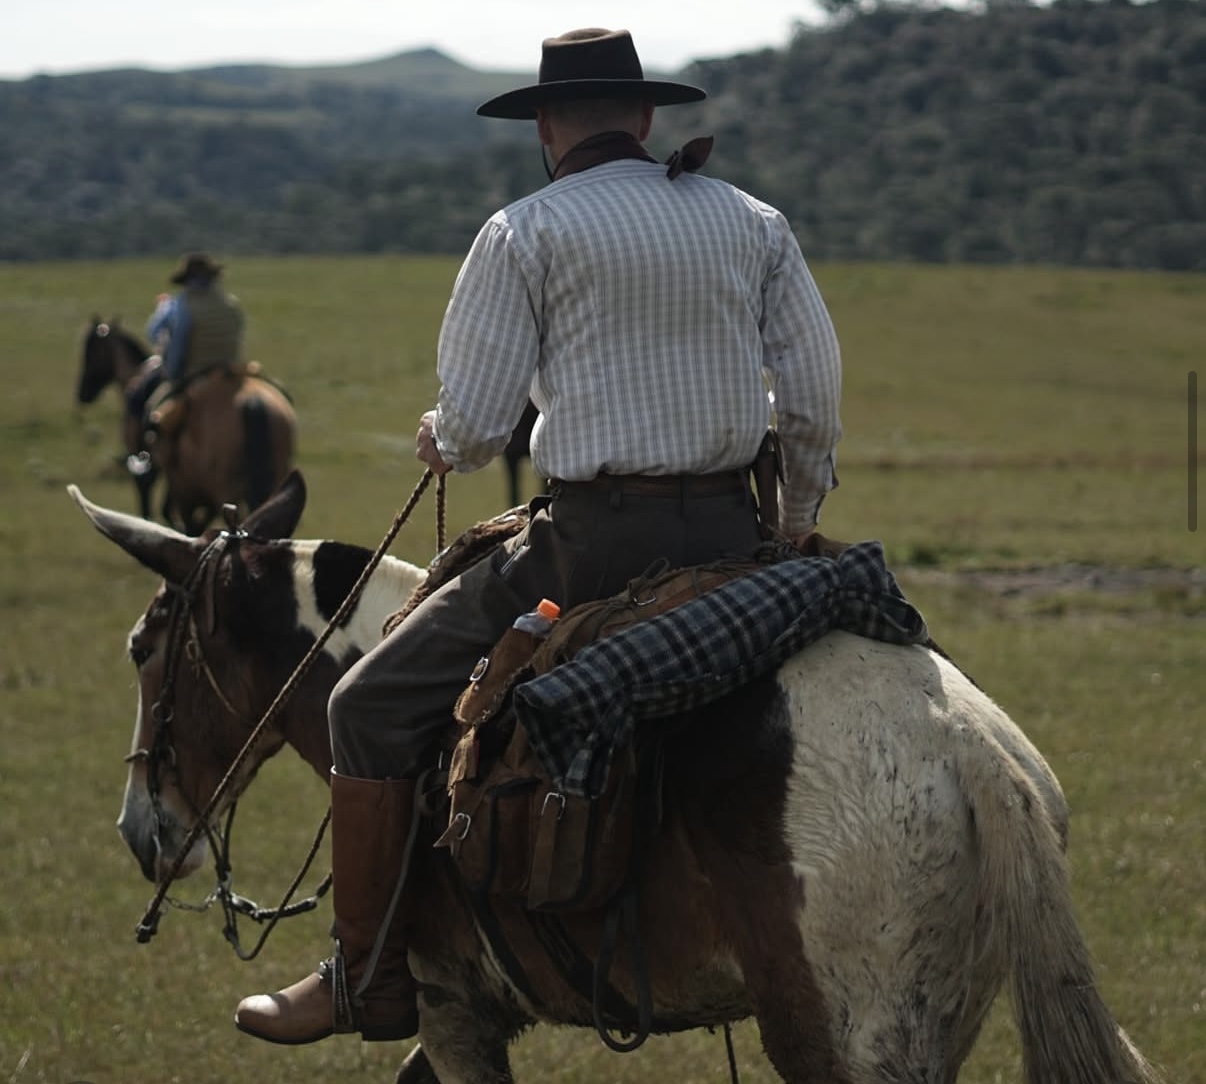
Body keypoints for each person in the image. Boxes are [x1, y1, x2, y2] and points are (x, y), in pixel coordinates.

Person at [234, 26, 842, 1046]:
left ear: (547, 127)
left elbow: (472, 430)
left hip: (586, 547)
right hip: (733, 534)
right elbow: (814, 400)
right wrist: (788, 529)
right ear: (645, 119)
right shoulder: (754, 221)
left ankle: (367, 976)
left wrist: (440, 435)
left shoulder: (523, 230)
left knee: (364, 705)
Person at [124, 251, 245, 444]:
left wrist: (162, 309)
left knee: (149, 408)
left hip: (194, 373)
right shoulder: (231, 304)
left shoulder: (180, 305)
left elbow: (158, 335)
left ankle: (145, 458)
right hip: (228, 371)